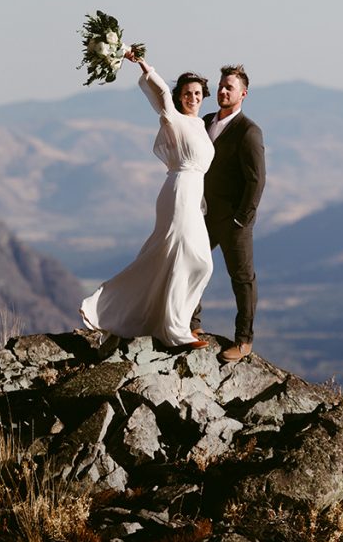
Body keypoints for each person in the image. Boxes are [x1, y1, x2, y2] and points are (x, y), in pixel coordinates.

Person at [80, 53, 214, 350]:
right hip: (178, 192)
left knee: (189, 260)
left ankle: (137, 315)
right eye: (187, 93)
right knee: (189, 258)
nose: (192, 98)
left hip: (193, 196)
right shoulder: (173, 117)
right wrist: (142, 64)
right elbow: (162, 93)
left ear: (203, 96)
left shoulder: (201, 127)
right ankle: (176, 329)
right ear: (179, 97)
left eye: (197, 93)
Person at [191, 64, 266, 362]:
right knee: (192, 267)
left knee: (242, 279)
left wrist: (242, 219)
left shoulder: (248, 131)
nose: (223, 91)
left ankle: (244, 341)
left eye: (229, 88)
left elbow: (256, 179)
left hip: (233, 221)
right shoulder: (206, 121)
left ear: (243, 94)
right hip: (202, 215)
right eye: (221, 86)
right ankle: (192, 325)